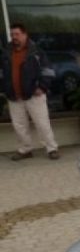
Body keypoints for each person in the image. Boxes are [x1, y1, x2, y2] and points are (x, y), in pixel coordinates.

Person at [0, 22, 59, 160]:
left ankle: (52, 148)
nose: (14, 37)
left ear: (25, 34)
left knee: (42, 123)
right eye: (12, 34)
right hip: (14, 95)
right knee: (19, 126)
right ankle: (26, 150)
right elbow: (2, 73)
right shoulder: (6, 52)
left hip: (34, 94)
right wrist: (4, 89)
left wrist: (42, 87)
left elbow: (48, 71)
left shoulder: (36, 51)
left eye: (17, 34)